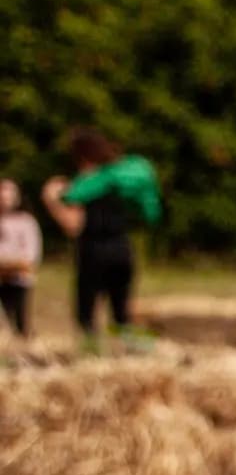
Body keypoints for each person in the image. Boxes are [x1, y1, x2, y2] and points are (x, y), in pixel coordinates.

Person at [42, 128, 160, 348]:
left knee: (86, 311)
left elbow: (73, 226)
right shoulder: (122, 178)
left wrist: (51, 200)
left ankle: (91, 355)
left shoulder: (87, 184)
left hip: (93, 251)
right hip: (123, 249)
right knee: (121, 311)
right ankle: (133, 354)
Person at [0, 179, 38, 337]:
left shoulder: (26, 222)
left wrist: (11, 266)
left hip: (18, 278)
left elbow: (30, 255)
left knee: (20, 321)